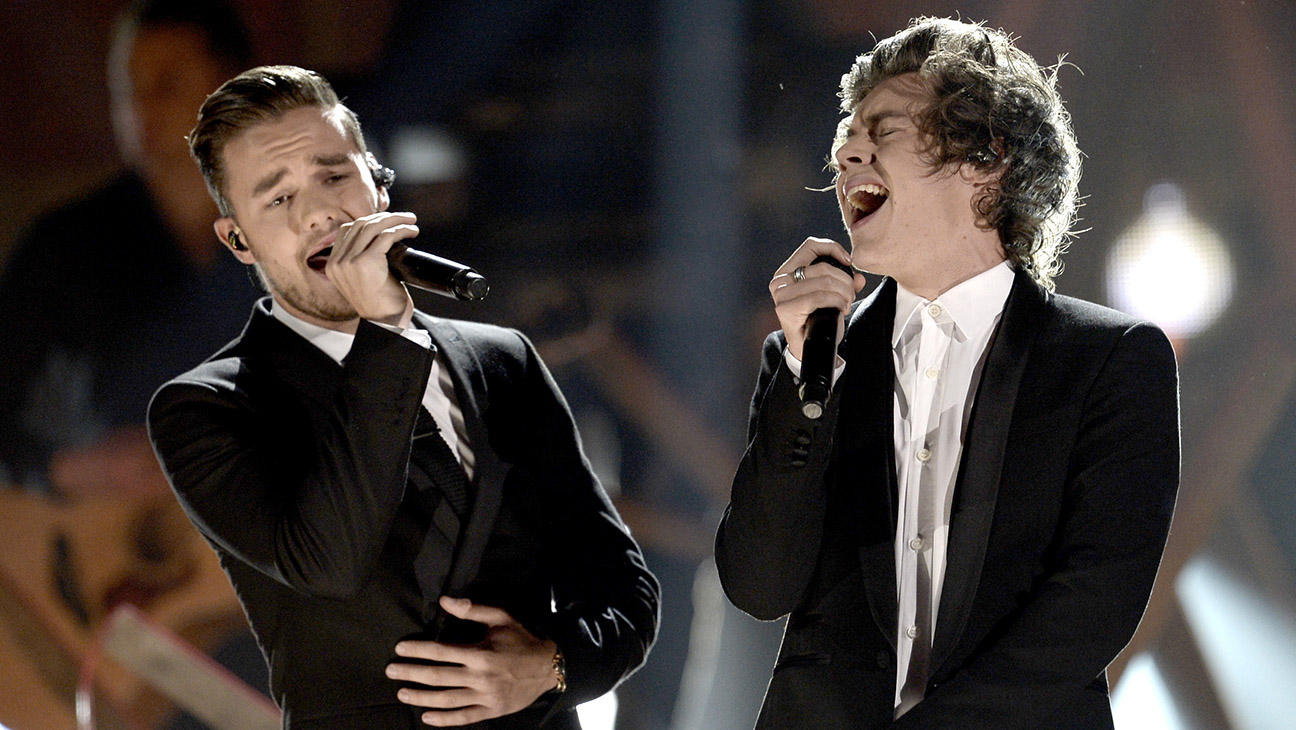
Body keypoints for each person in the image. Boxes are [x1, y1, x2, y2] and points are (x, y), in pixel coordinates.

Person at [146, 65, 659, 729]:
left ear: (378, 181)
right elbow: (326, 561)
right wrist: (385, 333)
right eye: (277, 199)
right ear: (238, 238)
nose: (320, 212)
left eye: (335, 176)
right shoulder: (208, 407)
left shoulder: (502, 362)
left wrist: (553, 665)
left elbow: (622, 587)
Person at [714, 17, 1180, 730]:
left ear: (985, 159)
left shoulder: (1109, 359)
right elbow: (758, 583)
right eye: (846, 135)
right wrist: (810, 380)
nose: (845, 153)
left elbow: (1095, 599)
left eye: (883, 129)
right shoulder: (812, 359)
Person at [0, 0, 259, 494]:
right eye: (129, 90)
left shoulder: (304, 231)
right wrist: (69, 469)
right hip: (109, 544)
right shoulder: (64, 245)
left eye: (169, 83)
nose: (144, 108)